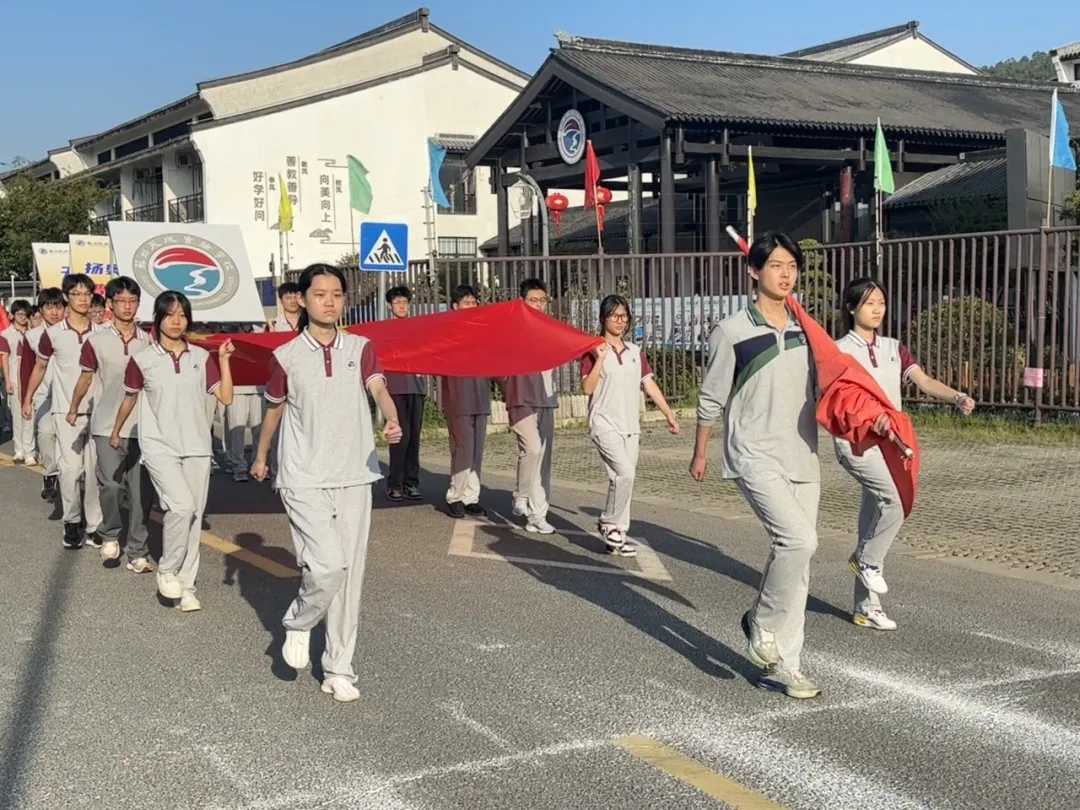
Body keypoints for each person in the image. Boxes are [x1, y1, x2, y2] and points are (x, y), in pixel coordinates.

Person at [251, 264, 401, 703]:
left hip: (355, 473)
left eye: (337, 293)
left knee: (349, 576)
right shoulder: (286, 357)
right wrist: (262, 455)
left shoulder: (361, 347)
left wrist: (391, 418)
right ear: (303, 299)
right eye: (320, 294)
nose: (330, 301)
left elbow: (377, 388)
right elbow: (275, 411)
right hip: (303, 475)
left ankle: (339, 668)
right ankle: (298, 621)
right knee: (326, 565)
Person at [690, 232, 823, 700]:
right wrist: (702, 449)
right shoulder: (732, 331)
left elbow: (828, 387)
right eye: (776, 266)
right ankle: (760, 621)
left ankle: (785, 665)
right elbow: (712, 395)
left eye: (792, 266)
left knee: (798, 562)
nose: (786, 274)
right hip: (753, 452)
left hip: (804, 453)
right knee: (799, 540)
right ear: (754, 271)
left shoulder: (808, 328)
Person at [835, 277, 975, 631]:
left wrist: (956, 396)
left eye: (881, 301)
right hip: (856, 442)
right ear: (852, 308)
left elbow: (924, 381)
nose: (877, 309)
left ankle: (866, 606)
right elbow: (835, 402)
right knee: (895, 500)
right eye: (869, 303)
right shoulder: (838, 351)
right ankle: (867, 560)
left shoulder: (895, 348)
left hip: (892, 443)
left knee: (872, 521)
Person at [113, 291, 234, 611]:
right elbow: (129, 398)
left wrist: (223, 360)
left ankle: (187, 584)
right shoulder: (143, 360)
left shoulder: (200, 357)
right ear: (159, 319)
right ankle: (167, 569)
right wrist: (116, 430)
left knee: (193, 516)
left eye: (182, 314)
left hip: (197, 446)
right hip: (159, 446)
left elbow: (225, 397)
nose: (177, 320)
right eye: (170, 315)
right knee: (180, 506)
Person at [581, 294, 679, 556]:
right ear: (603, 318)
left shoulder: (635, 352)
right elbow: (587, 388)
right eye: (614, 315)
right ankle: (609, 522)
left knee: (621, 479)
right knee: (625, 473)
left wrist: (668, 413)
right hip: (603, 422)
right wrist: (600, 357)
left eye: (624, 316)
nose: (619, 321)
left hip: (630, 425)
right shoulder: (593, 350)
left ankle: (617, 534)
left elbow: (648, 384)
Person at [67, 277, 155, 570]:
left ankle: (138, 550)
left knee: (142, 492)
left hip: (143, 427)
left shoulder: (151, 342)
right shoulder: (97, 341)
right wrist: (74, 407)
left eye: (133, 301)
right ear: (109, 305)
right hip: (107, 426)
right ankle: (111, 534)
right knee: (112, 486)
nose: (127, 306)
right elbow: (85, 378)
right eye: (121, 301)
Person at [23, 276, 105, 548]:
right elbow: (39, 368)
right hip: (64, 411)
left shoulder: (102, 332)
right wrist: (27, 398)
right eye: (76, 293)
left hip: (97, 411)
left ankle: (94, 526)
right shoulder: (53, 334)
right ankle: (71, 521)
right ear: (67, 296)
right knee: (70, 470)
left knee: (94, 471)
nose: (83, 298)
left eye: (87, 294)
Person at [499, 278, 558, 534]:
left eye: (542, 300)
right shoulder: (511, 329)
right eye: (533, 300)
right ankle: (520, 495)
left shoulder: (553, 328)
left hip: (546, 396)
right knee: (532, 449)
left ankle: (537, 515)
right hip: (521, 397)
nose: (538, 305)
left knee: (542, 459)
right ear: (522, 302)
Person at [441, 285, 490, 518]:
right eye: (466, 302)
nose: (471, 306)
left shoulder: (483, 331)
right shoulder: (447, 331)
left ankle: (471, 496)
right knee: (463, 449)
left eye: (474, 302)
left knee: (477, 450)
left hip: (480, 397)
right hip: (458, 398)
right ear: (455, 306)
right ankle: (455, 495)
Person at [19, 291, 64, 498]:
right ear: (40, 310)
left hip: (73, 396)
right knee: (46, 432)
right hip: (45, 395)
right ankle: (50, 473)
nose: (54, 312)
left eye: (58, 307)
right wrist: (26, 400)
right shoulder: (32, 336)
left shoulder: (73, 332)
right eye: (49, 307)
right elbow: (27, 370)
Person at [383, 285, 424, 501]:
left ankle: (411, 482)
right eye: (397, 302)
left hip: (416, 388)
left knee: (414, 438)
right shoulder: (385, 330)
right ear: (390, 306)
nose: (401, 306)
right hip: (395, 389)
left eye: (404, 302)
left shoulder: (417, 327)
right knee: (399, 436)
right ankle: (395, 483)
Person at [0, 299, 35, 464]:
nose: (22, 317)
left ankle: (30, 451)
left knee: (31, 414)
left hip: (32, 378)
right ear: (13, 315)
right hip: (15, 377)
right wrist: (8, 381)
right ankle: (19, 449)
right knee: (17, 415)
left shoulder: (33, 333)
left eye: (25, 314)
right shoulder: (6, 335)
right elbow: (5, 359)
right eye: (19, 313)